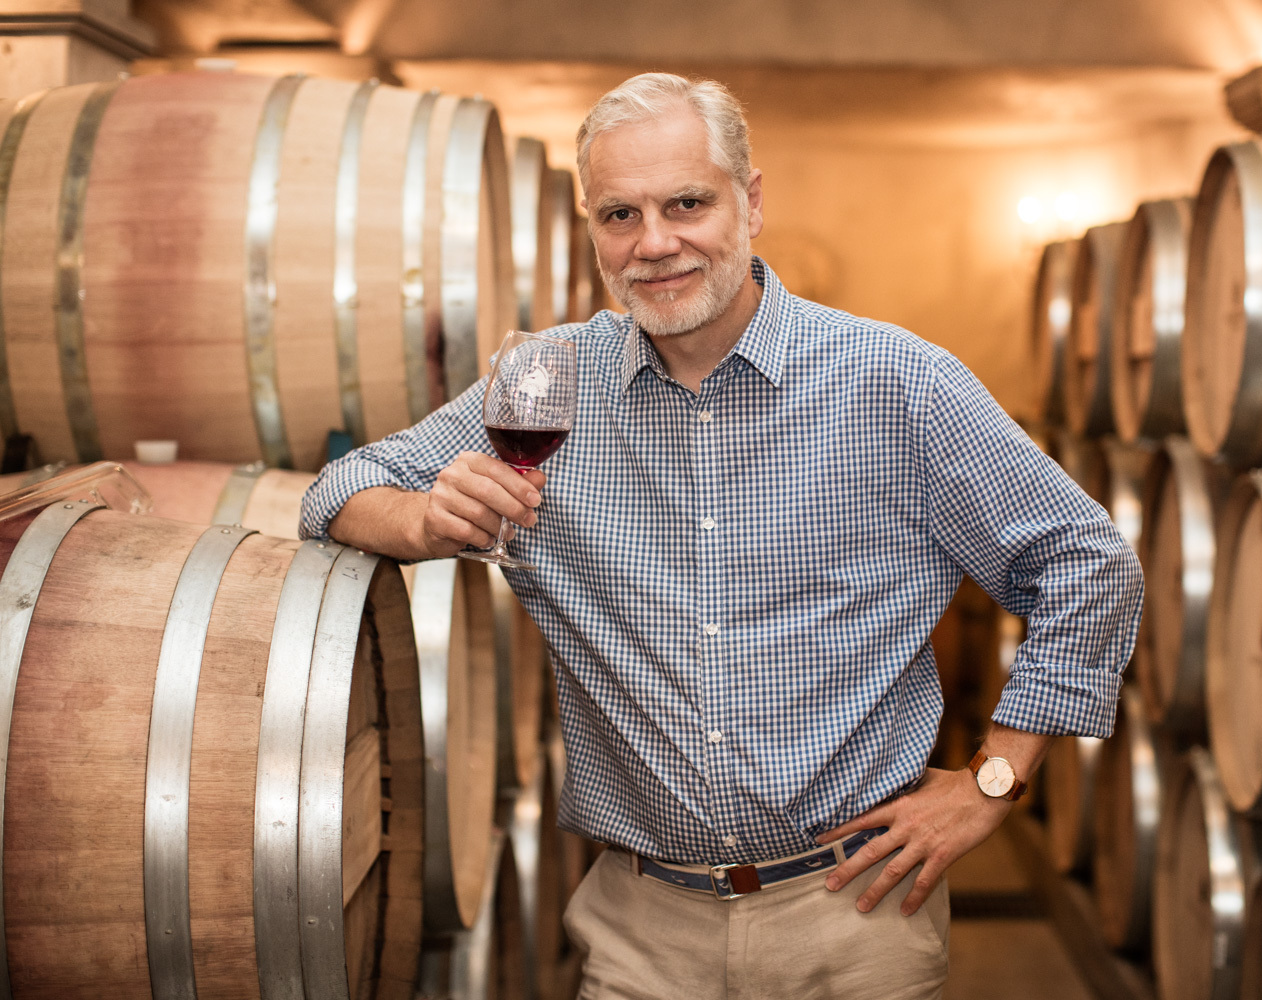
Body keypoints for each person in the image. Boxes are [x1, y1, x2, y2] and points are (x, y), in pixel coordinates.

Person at [302, 71, 1141, 999]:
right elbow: (338, 488)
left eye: (686, 203)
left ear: (751, 203)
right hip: (638, 931)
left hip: (855, 918)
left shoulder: (896, 383)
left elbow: (1086, 563)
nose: (653, 243)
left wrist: (993, 782)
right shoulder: (545, 384)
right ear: (591, 231)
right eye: (619, 215)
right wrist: (420, 517)